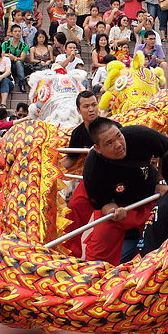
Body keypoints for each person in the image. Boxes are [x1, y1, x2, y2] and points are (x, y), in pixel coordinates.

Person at [81, 118, 168, 264]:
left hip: (151, 198)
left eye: (118, 136)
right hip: (120, 208)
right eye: (109, 143)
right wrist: (112, 211)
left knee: (165, 245)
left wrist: (161, 181)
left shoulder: (140, 135)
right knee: (97, 256)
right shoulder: (92, 168)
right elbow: (104, 205)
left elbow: (167, 147)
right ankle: (98, 281)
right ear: (97, 148)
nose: (118, 145)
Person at [59, 91, 101, 257]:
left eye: (94, 105)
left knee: (103, 224)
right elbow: (71, 158)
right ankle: (70, 255)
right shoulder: (77, 133)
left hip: (112, 181)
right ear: (78, 110)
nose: (91, 109)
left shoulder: (109, 128)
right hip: (90, 180)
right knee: (73, 211)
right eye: (86, 106)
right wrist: (50, 170)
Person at [1, 25, 30, 93]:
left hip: (18, 66)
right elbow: (2, 55)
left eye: (19, 31)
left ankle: (22, 83)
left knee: (18, 62)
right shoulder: (5, 44)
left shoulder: (24, 46)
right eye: (15, 31)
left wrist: (14, 58)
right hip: (8, 65)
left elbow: (22, 58)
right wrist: (8, 56)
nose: (17, 33)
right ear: (11, 33)